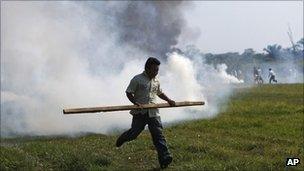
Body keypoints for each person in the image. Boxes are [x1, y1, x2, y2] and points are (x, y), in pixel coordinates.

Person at [116, 57, 176, 169]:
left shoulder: (156, 81)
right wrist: (135, 103)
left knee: (159, 136)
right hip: (140, 113)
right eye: (154, 70)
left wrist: (169, 100)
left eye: (157, 70)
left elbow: (159, 93)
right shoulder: (137, 79)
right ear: (147, 68)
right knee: (134, 133)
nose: (156, 72)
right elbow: (129, 92)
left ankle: (165, 158)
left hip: (154, 113)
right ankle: (123, 138)